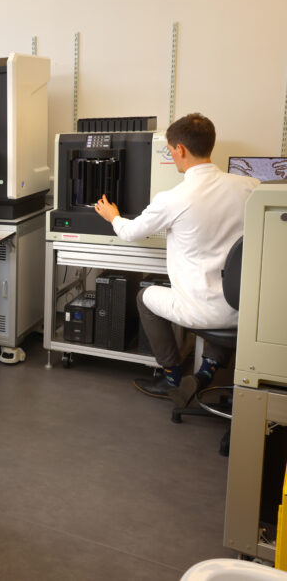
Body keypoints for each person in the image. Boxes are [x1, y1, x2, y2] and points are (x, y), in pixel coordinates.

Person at [94, 113, 259, 403]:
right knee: (225, 305)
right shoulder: (250, 187)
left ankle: (171, 378)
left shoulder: (174, 198)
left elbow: (130, 232)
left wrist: (113, 216)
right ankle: (205, 373)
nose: (171, 157)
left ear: (180, 149)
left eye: (170, 151)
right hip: (244, 308)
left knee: (145, 297)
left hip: (200, 310)